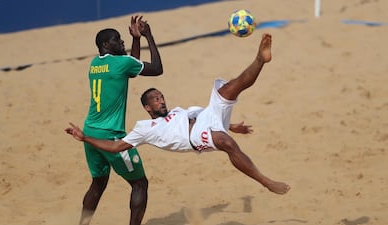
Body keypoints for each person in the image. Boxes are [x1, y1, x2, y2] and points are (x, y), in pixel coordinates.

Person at [66, 33, 290, 196]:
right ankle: (266, 182)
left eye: (161, 96)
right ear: (147, 108)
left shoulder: (177, 111)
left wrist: (231, 125)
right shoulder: (145, 128)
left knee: (228, 88)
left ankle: (260, 59)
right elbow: (116, 147)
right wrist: (84, 138)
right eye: (155, 99)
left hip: (206, 120)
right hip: (194, 138)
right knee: (223, 141)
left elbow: (205, 114)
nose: (161, 100)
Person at [77, 16, 163, 225]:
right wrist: (147, 36)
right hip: (111, 135)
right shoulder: (121, 63)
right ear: (105, 44)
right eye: (117, 40)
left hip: (90, 131)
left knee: (98, 183)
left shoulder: (95, 64)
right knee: (139, 183)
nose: (121, 42)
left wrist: (135, 40)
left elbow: (130, 69)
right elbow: (157, 69)